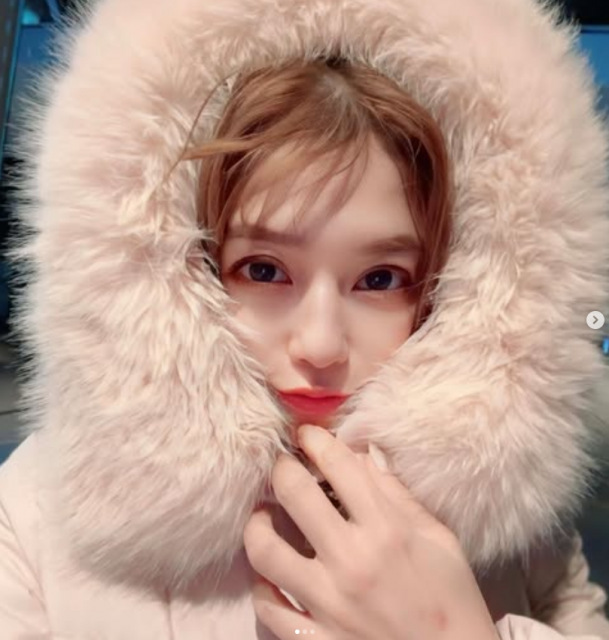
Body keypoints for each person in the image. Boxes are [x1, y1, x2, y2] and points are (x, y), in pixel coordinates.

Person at [0, 0, 608, 638]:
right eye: (264, 270)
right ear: (180, 269)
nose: (320, 345)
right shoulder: (32, 520)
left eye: (380, 279)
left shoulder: (512, 524)